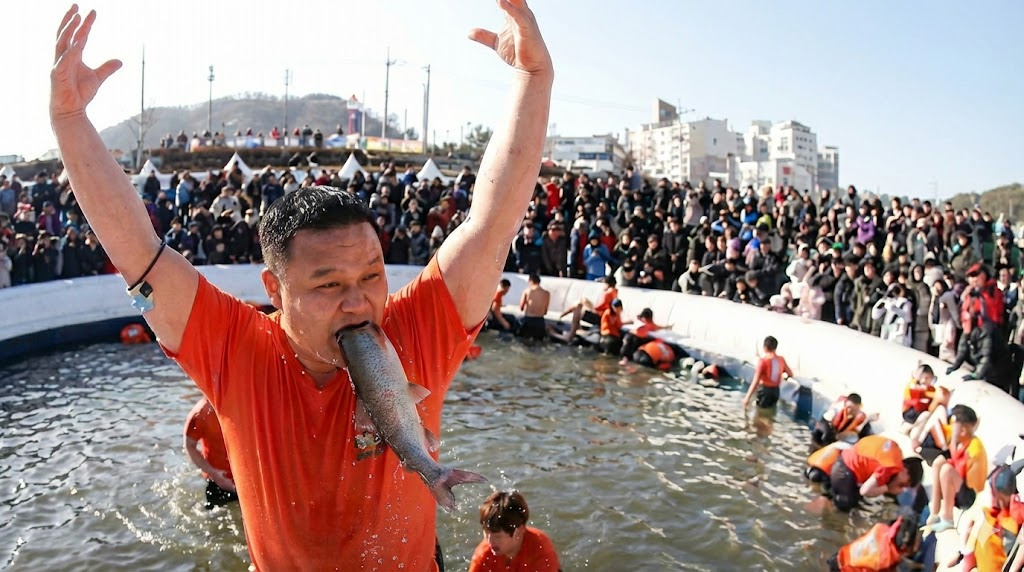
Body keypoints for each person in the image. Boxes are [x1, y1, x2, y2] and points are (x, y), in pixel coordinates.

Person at [50, 2, 553, 568]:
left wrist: (534, 79)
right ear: (275, 285)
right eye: (328, 283)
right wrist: (70, 122)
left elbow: (491, 222)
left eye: (371, 274)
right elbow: (140, 252)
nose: (358, 299)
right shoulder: (238, 349)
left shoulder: (416, 327)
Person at [924, 405, 988, 533]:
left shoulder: (974, 451)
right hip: (958, 485)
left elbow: (976, 487)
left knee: (946, 470)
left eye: (954, 426)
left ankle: (948, 519)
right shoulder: (959, 440)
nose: (951, 428)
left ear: (963, 430)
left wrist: (952, 476)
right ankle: (935, 511)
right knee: (939, 462)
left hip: (969, 496)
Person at [469, 490, 560, 572]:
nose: (489, 541)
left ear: (518, 531)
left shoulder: (542, 551)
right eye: (486, 533)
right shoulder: (483, 555)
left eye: (497, 536)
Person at [828, 435, 923, 511]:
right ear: (907, 471)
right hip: (845, 472)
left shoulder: (896, 454)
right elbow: (865, 491)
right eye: (905, 483)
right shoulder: (890, 467)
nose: (902, 486)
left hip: (844, 461)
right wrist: (888, 488)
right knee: (846, 506)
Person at [826, 508, 921, 572]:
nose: (920, 540)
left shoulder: (881, 529)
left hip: (842, 555)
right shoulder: (885, 562)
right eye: (916, 542)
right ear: (905, 548)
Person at [183, 397, 237, 509]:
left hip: (246, 477)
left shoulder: (245, 403)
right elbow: (189, 446)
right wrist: (214, 474)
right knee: (215, 518)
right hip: (219, 478)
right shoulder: (201, 412)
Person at [742, 335, 793, 410]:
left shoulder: (763, 361)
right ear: (775, 347)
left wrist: (747, 398)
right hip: (776, 391)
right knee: (770, 411)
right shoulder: (781, 360)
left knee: (759, 415)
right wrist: (784, 376)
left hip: (765, 391)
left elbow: (755, 381)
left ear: (765, 347)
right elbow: (790, 374)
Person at [518, 272, 550, 341]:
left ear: (530, 281)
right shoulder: (547, 293)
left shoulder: (527, 291)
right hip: (540, 321)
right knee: (538, 343)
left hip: (528, 320)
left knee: (523, 341)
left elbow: (521, 307)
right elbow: (545, 312)